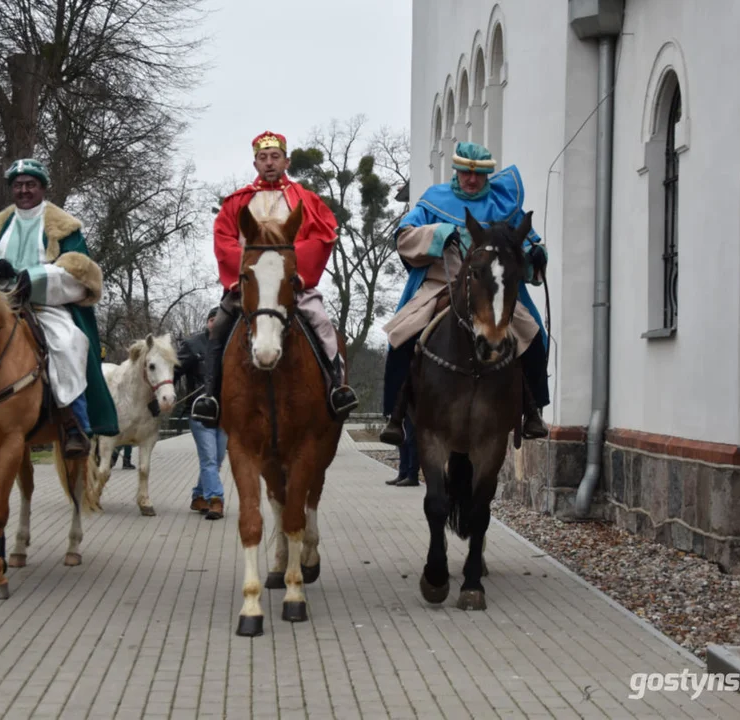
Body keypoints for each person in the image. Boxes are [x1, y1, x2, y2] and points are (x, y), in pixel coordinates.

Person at [0, 158, 118, 457]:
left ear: (41, 187)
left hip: (44, 305)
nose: (24, 190)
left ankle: (74, 425)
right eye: (18, 185)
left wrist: (36, 278)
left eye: (30, 184)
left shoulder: (64, 227)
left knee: (69, 343)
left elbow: (79, 271)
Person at [379, 142, 550, 442]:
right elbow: (404, 237)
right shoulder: (433, 202)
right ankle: (395, 413)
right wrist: (436, 234)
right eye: (466, 174)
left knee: (532, 335)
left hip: (492, 289)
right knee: (401, 335)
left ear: (487, 176)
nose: (472, 181)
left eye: (479, 176)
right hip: (441, 283)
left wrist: (536, 256)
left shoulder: (505, 206)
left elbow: (526, 244)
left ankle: (532, 411)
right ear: (456, 172)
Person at [190, 130, 358, 428]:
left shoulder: (305, 200)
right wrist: (249, 269)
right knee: (219, 331)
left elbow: (322, 236)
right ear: (255, 163)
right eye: (263, 157)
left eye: (275, 157)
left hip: (292, 286)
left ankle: (337, 389)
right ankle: (210, 396)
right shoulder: (236, 203)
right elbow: (224, 239)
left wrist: (286, 270)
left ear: (286, 161)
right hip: (247, 287)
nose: (269, 163)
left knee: (322, 325)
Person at [177, 307, 227, 519]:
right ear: (208, 321)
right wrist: (161, 397)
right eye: (212, 319)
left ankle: (198, 497)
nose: (215, 323)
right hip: (199, 411)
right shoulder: (192, 345)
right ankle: (215, 500)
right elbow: (173, 371)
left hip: (224, 414)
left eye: (219, 320)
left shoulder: (230, 346)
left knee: (216, 460)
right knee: (208, 459)